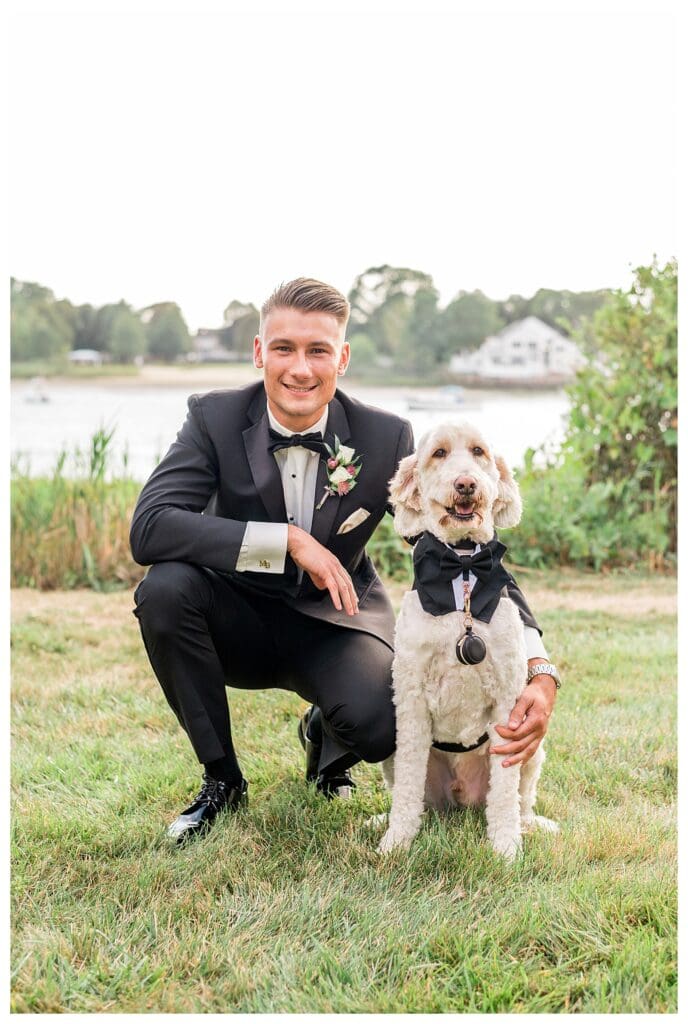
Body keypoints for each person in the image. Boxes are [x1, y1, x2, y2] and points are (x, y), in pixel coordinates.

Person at [130, 277, 558, 843]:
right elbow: (150, 527)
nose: (300, 368)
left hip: (337, 619)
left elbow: (466, 554)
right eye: (283, 348)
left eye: (318, 350)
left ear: (343, 358)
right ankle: (222, 781)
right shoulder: (213, 418)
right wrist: (286, 540)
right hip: (233, 618)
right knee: (163, 590)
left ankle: (326, 732)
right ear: (259, 352)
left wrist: (539, 666)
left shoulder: (386, 437)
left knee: (383, 725)